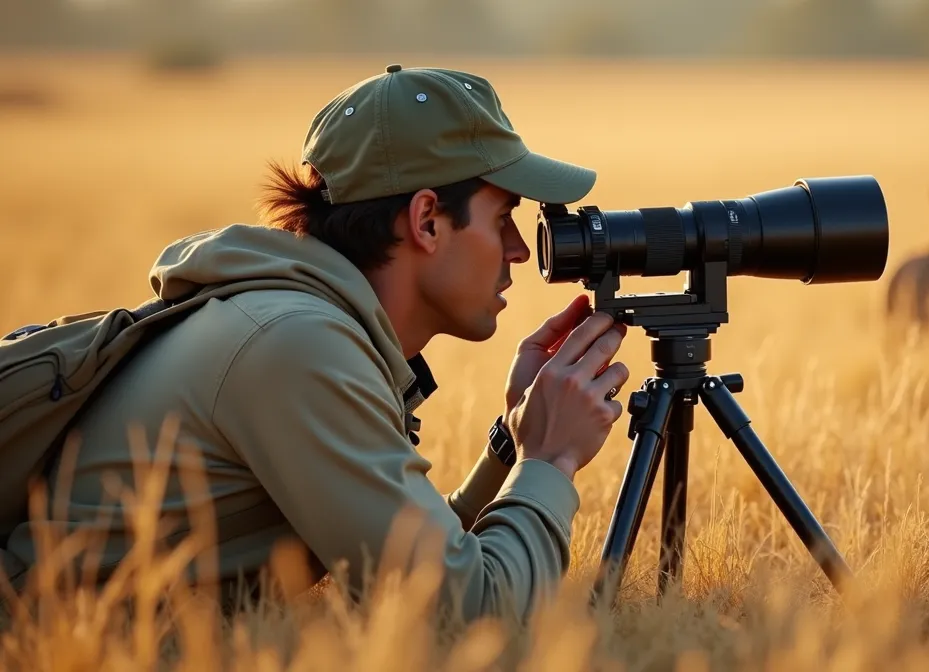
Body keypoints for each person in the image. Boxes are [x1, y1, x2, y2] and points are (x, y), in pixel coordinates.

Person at [1, 64, 631, 622]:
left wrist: (511, 443)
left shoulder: (297, 323)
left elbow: (402, 563)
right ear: (427, 220)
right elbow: (463, 614)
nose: (521, 248)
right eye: (504, 218)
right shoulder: (295, 347)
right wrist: (549, 462)